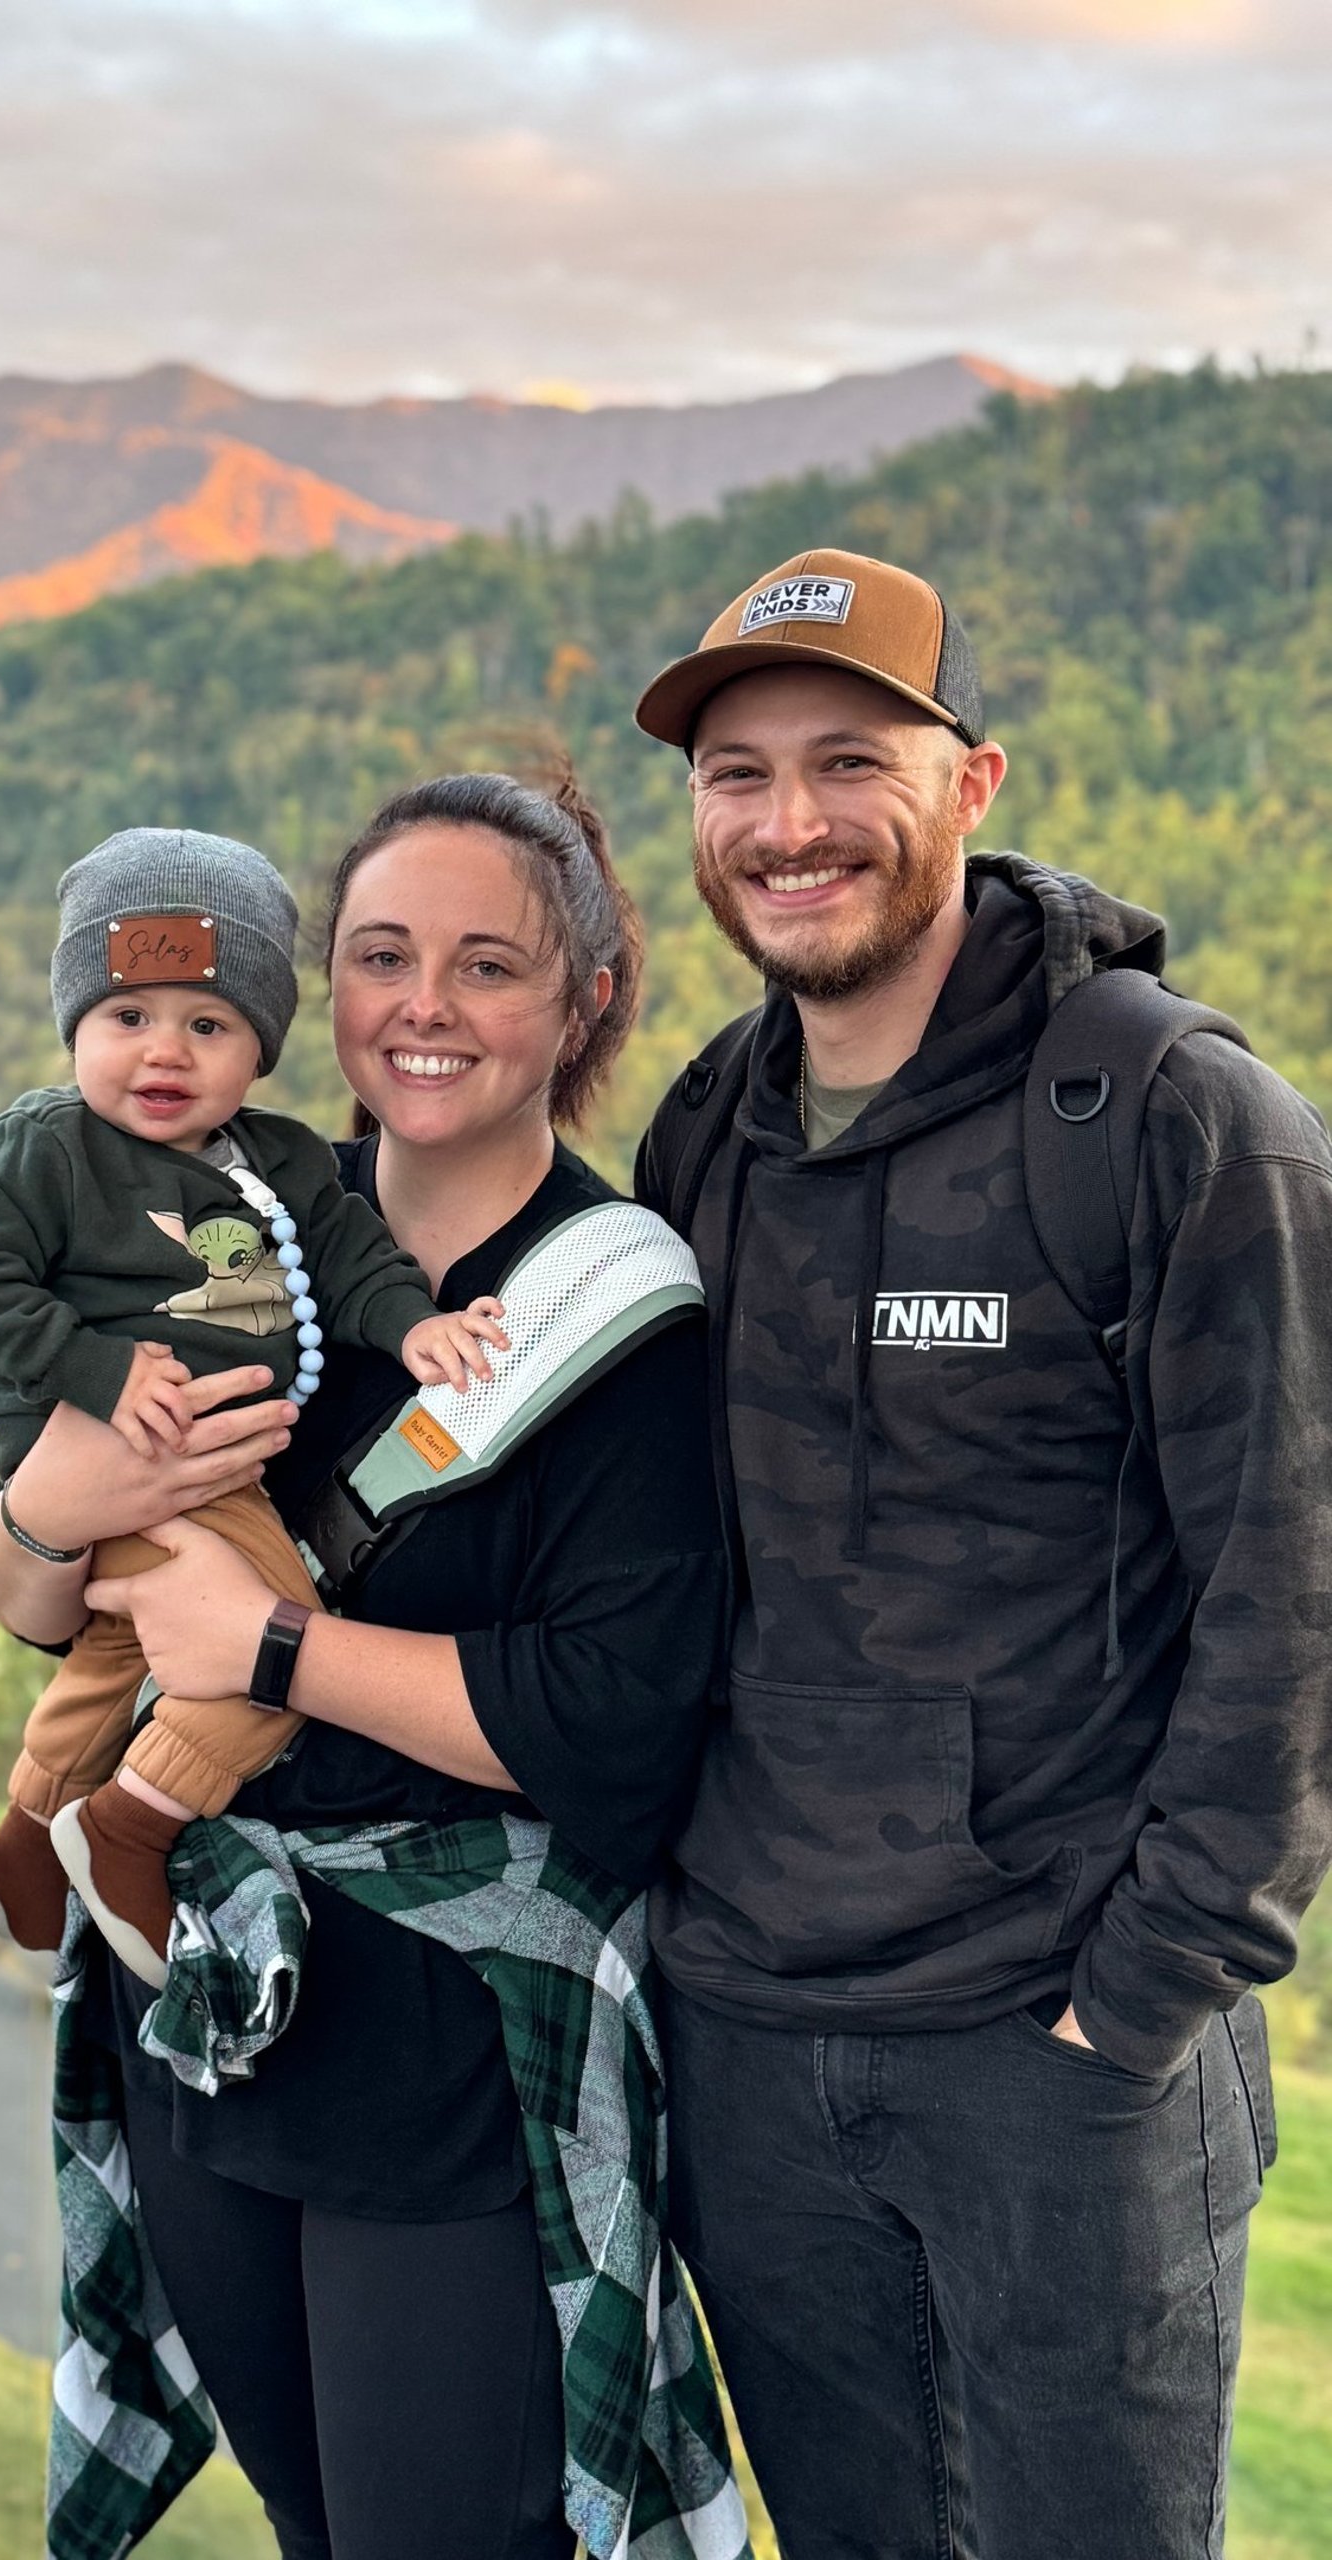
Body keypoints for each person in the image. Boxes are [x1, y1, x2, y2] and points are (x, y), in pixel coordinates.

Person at [631, 546, 1332, 2560]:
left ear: (973, 778)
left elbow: (1293, 1601)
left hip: (1061, 2055)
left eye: (850, 759)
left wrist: (1134, 2007)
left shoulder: (1176, 1119)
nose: (787, 824)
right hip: (755, 2039)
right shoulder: (709, 1138)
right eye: (736, 774)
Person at [0, 772, 742, 2560]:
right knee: (312, 2528)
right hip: (215, 2001)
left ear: (586, 999)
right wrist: (58, 1505)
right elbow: (33, 1596)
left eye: (489, 965)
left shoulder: (617, 1320)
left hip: (450, 2040)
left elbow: (610, 1732)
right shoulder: (243, 1214)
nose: (425, 1008)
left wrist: (276, 1650)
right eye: (384, 956)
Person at [0, 825, 505, 1982]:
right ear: (75, 1026)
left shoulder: (277, 1164)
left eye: (208, 1023)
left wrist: (417, 1325)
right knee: (268, 1651)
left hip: (210, 1464)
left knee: (108, 1658)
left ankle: (26, 1843)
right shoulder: (45, 1152)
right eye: (126, 1017)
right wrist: (94, 1371)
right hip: (144, 1455)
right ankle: (130, 1824)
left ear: (261, 1048)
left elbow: (352, 1260)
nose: (162, 1052)